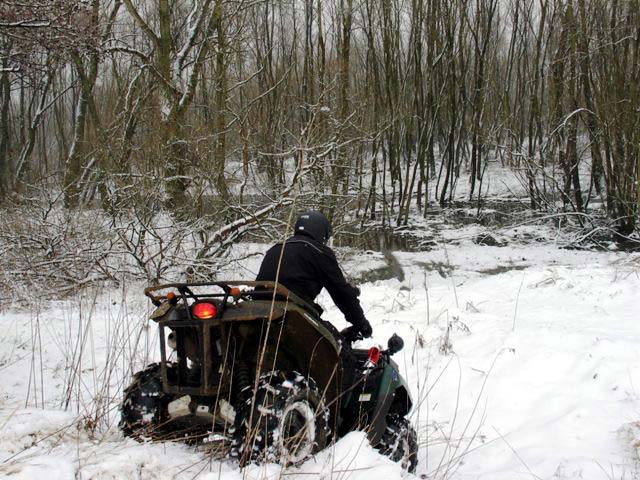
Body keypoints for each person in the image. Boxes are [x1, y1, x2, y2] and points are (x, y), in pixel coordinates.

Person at [255, 210, 372, 342]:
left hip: (257, 311)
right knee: (339, 351)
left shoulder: (275, 249)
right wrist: (362, 324)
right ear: (321, 232)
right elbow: (342, 294)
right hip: (293, 316)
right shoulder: (319, 252)